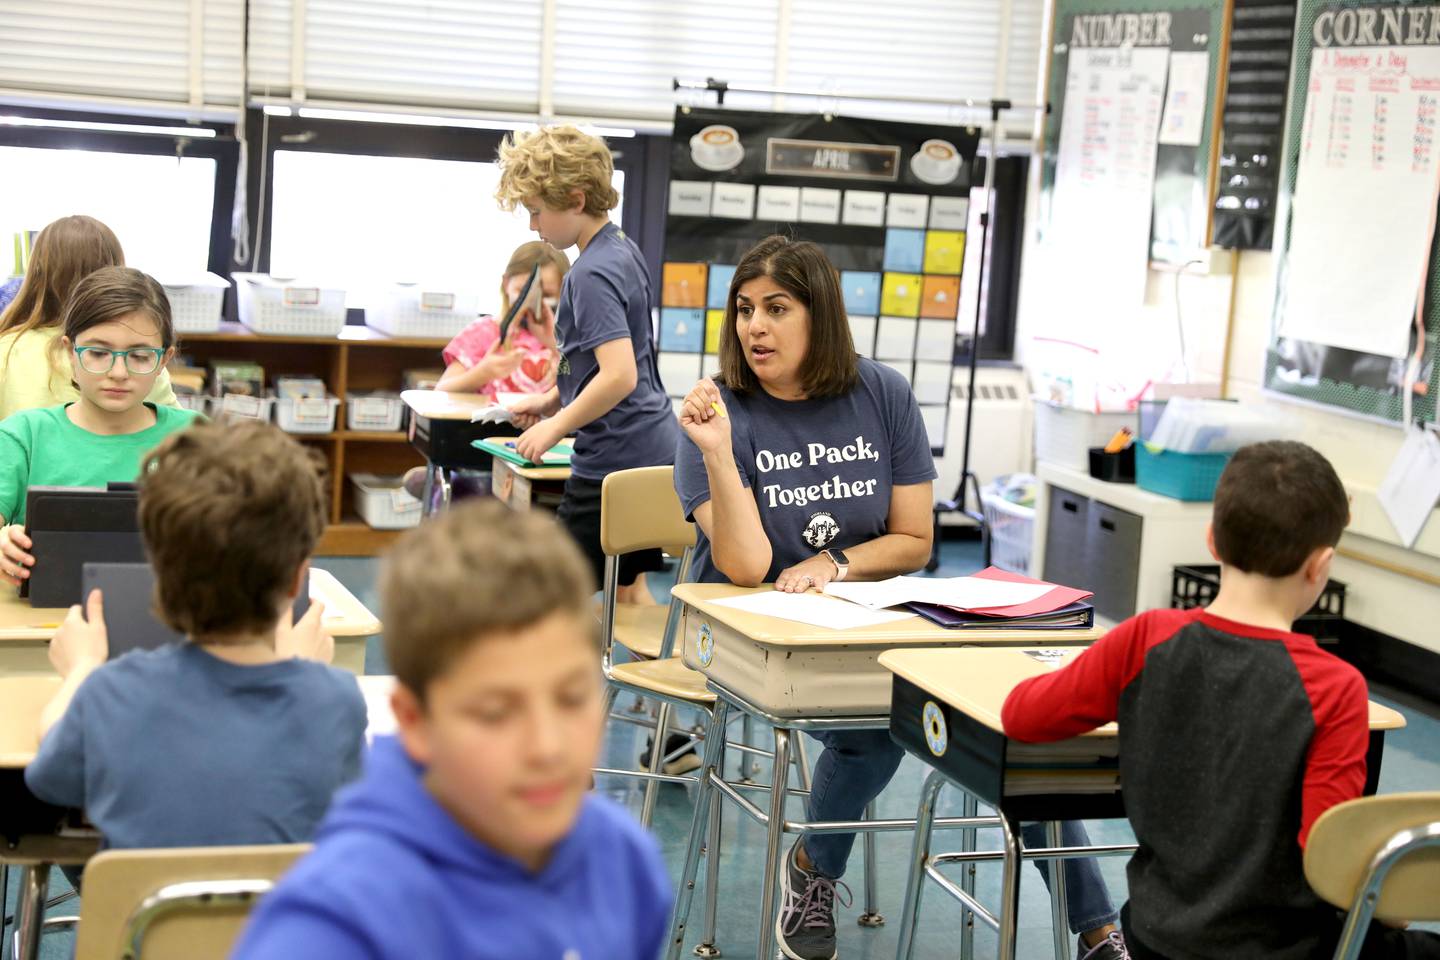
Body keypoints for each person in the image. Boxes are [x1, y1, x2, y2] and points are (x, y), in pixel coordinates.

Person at [676, 235, 1126, 960]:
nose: (754, 326)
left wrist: (834, 563)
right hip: (759, 641)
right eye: (743, 310)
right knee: (872, 735)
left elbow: (915, 540)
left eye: (777, 308)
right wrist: (721, 455)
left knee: (1018, 729)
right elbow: (747, 566)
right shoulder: (717, 414)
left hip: (872, 626)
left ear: (819, 315)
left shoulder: (879, 391)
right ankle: (812, 871)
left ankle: (1099, 929)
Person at [1003, 441, 1440, 960]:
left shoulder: (1144, 641)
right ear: (1320, 566)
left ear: (1212, 540)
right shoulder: (1334, 688)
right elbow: (1329, 861)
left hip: (1155, 940)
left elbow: (1022, 715)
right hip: (1286, 948)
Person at [229, 501, 671, 959]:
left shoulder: (622, 863)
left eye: (572, 698)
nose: (547, 746)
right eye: (496, 713)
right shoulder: (331, 927)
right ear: (414, 721)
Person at [24, 419, 365, 851]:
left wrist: (82, 669)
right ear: (298, 578)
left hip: (142, 919)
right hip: (280, 918)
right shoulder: (334, 698)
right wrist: (301, 672)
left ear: (159, 576)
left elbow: (50, 779)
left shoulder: (110, 692)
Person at [495, 125, 679, 606]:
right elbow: (604, 362)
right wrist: (550, 398)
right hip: (653, 444)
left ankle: (567, 682)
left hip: (615, 460)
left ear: (575, 200)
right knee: (628, 588)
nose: (534, 227)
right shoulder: (620, 248)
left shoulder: (591, 272)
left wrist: (555, 426)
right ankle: (646, 676)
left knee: (549, 597)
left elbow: (620, 375)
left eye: (537, 212)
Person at [0, 266, 201, 587]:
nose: (118, 372)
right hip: (43, 623)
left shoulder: (198, 437)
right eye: (97, 352)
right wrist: (3, 542)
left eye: (139, 356)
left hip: (170, 618)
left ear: (164, 360)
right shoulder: (23, 436)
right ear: (70, 352)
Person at [401, 240, 571, 504]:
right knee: (479, 492)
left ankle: (440, 487)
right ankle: (445, 487)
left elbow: (581, 389)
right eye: (523, 293)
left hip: (549, 455)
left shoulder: (567, 342)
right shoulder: (483, 333)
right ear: (506, 283)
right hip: (482, 454)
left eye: (547, 296)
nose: (534, 306)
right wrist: (484, 372)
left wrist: (554, 344)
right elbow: (442, 392)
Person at [0, 215, 177, 420]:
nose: (118, 373)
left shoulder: (7, 347)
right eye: (97, 353)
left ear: (36, 272)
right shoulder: (140, 355)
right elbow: (179, 431)